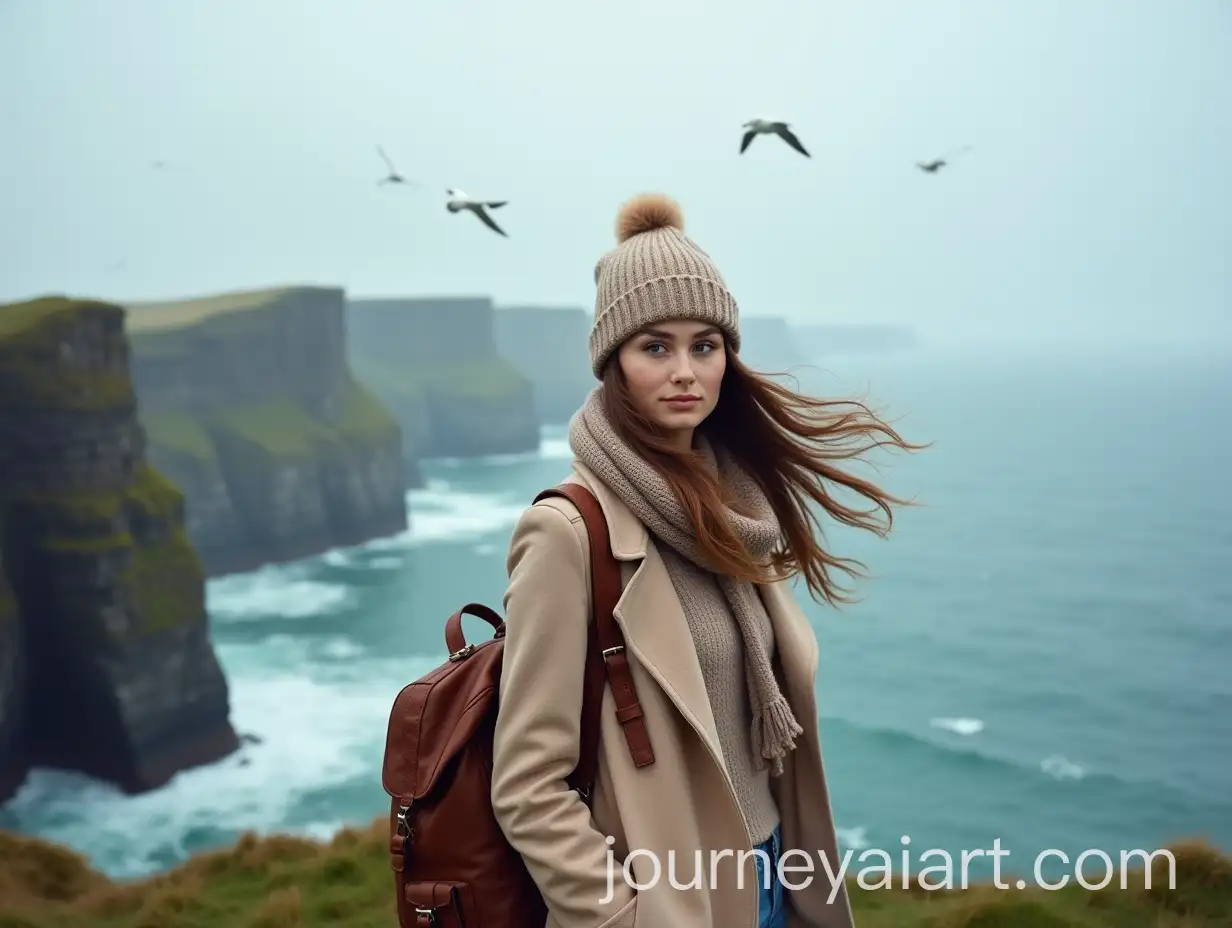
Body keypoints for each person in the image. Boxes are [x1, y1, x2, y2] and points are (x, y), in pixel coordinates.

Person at [490, 193, 922, 928]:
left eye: (705, 345)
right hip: (673, 907)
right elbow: (527, 786)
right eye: (655, 347)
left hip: (776, 882)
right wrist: (624, 919)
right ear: (614, 364)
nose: (685, 370)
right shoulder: (567, 531)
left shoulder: (735, 516)